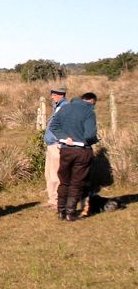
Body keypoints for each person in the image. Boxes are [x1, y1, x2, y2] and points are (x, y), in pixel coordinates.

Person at [49, 92, 98, 221]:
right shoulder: (88, 112)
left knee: (64, 181)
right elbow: (90, 135)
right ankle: (70, 213)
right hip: (82, 150)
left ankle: (61, 211)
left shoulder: (64, 108)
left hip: (66, 149)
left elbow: (53, 126)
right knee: (76, 183)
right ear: (92, 101)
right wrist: (93, 140)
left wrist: (64, 137)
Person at [43, 86, 69, 209]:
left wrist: (60, 139)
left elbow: (64, 126)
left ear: (60, 95)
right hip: (51, 144)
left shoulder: (64, 107)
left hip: (56, 144)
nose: (52, 97)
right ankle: (52, 199)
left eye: (54, 95)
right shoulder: (57, 107)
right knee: (49, 173)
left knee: (56, 174)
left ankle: (58, 200)